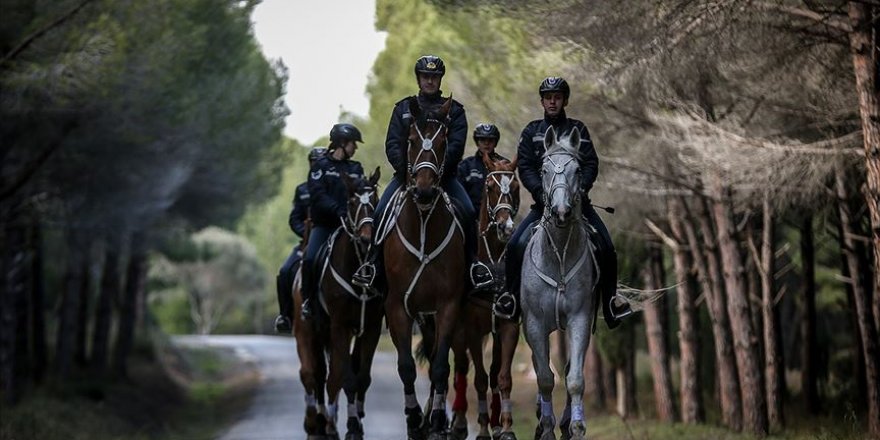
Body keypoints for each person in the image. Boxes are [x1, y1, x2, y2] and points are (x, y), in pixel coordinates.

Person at [492, 76, 632, 328]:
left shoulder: (579, 130)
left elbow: (591, 163)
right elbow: (525, 166)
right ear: (542, 101)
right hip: (543, 207)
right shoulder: (531, 131)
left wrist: (581, 188)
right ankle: (510, 298)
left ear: (565, 100)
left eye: (557, 97)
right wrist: (539, 192)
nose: (552, 102)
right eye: (548, 98)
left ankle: (611, 302)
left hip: (578, 206)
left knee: (606, 246)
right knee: (514, 245)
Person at [351, 55, 493, 292]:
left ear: (440, 79)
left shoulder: (455, 111)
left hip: (444, 179)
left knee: (469, 212)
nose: (429, 81)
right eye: (425, 76)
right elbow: (392, 144)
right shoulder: (402, 109)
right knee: (379, 212)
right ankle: (373, 266)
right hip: (406, 177)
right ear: (418, 78)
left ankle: (474, 266)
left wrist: (435, 172)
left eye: (434, 77)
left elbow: (456, 146)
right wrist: (410, 171)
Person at [300, 123, 365, 320]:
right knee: (310, 258)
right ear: (342, 143)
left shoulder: (356, 168)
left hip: (350, 228)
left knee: (373, 254)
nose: (355, 148)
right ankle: (308, 301)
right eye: (353, 143)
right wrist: (337, 210)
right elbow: (318, 195)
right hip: (325, 227)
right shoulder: (320, 167)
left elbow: (361, 192)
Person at [274, 146, 326, 333]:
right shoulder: (302, 190)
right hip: (306, 242)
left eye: (321, 162)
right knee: (285, 271)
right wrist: (305, 232)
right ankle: (285, 315)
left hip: (330, 237)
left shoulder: (336, 188)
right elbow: (294, 218)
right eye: (315, 162)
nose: (317, 165)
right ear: (310, 164)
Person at [457, 123, 509, 213]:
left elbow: (512, 195)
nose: (486, 143)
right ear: (477, 142)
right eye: (482, 140)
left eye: (490, 140)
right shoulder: (465, 166)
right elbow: (459, 197)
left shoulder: (505, 166)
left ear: (495, 143)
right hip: (470, 216)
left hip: (499, 215)